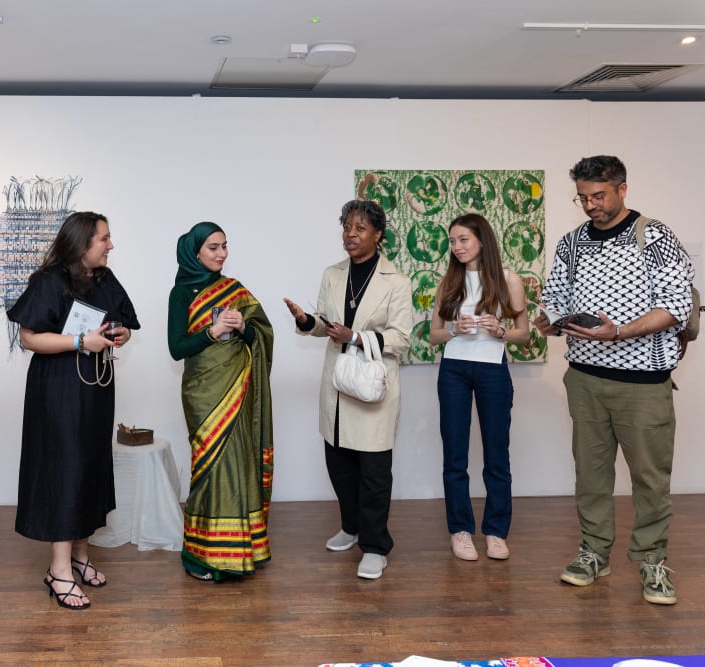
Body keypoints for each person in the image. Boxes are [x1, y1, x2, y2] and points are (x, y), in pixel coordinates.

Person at [535, 155, 693, 605]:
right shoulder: (571, 242)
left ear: (622, 189)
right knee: (591, 475)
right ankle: (593, 554)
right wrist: (551, 321)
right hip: (584, 379)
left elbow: (675, 306)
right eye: (583, 197)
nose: (590, 205)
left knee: (649, 478)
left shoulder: (655, 237)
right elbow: (556, 297)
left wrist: (619, 331)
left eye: (598, 196)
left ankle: (652, 562)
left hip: (643, 382)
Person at [7, 211, 140, 610]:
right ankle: (59, 570)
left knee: (89, 467)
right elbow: (29, 339)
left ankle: (81, 555)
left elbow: (126, 325)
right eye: (104, 238)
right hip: (59, 391)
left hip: (96, 389)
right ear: (82, 243)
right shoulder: (48, 281)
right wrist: (81, 341)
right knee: (64, 470)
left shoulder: (105, 279)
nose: (110, 245)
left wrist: (120, 334)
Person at [284, 199, 412, 580]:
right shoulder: (333, 273)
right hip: (338, 383)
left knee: (374, 471)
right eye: (346, 227)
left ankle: (375, 546)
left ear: (378, 235)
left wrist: (355, 336)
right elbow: (327, 325)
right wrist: (308, 321)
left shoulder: (397, 281)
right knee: (339, 464)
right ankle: (351, 526)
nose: (350, 235)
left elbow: (402, 339)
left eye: (359, 228)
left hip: (373, 386)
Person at [167, 222, 275, 582]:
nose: (222, 254)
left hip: (237, 390)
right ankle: (203, 556)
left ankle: (241, 551)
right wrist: (210, 333)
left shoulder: (235, 290)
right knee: (209, 469)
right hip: (203, 394)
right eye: (213, 247)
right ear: (194, 251)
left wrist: (244, 327)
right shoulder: (181, 293)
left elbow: (263, 334)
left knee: (239, 465)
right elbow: (176, 347)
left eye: (225, 246)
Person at [428, 213, 530, 561]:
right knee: (455, 456)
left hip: (493, 370)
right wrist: (455, 329)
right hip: (454, 370)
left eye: (463, 240)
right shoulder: (448, 284)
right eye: (453, 241)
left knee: (497, 456)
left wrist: (500, 331)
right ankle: (460, 530)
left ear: (482, 241)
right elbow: (433, 336)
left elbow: (525, 333)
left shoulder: (508, 280)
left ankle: (496, 532)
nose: (456, 247)